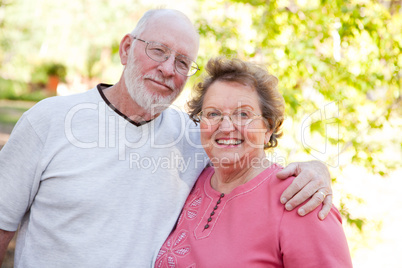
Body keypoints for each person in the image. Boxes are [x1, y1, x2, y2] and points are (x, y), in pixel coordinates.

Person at [0, 9, 332, 267]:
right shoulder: (48, 122)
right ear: (127, 48)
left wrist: (317, 168)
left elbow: (251, 159)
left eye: (183, 62)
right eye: (158, 51)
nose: (168, 68)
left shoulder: (195, 138)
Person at [155, 57, 352, 267]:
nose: (226, 126)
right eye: (213, 113)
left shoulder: (301, 197)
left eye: (243, 114)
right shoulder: (190, 179)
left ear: (268, 128)